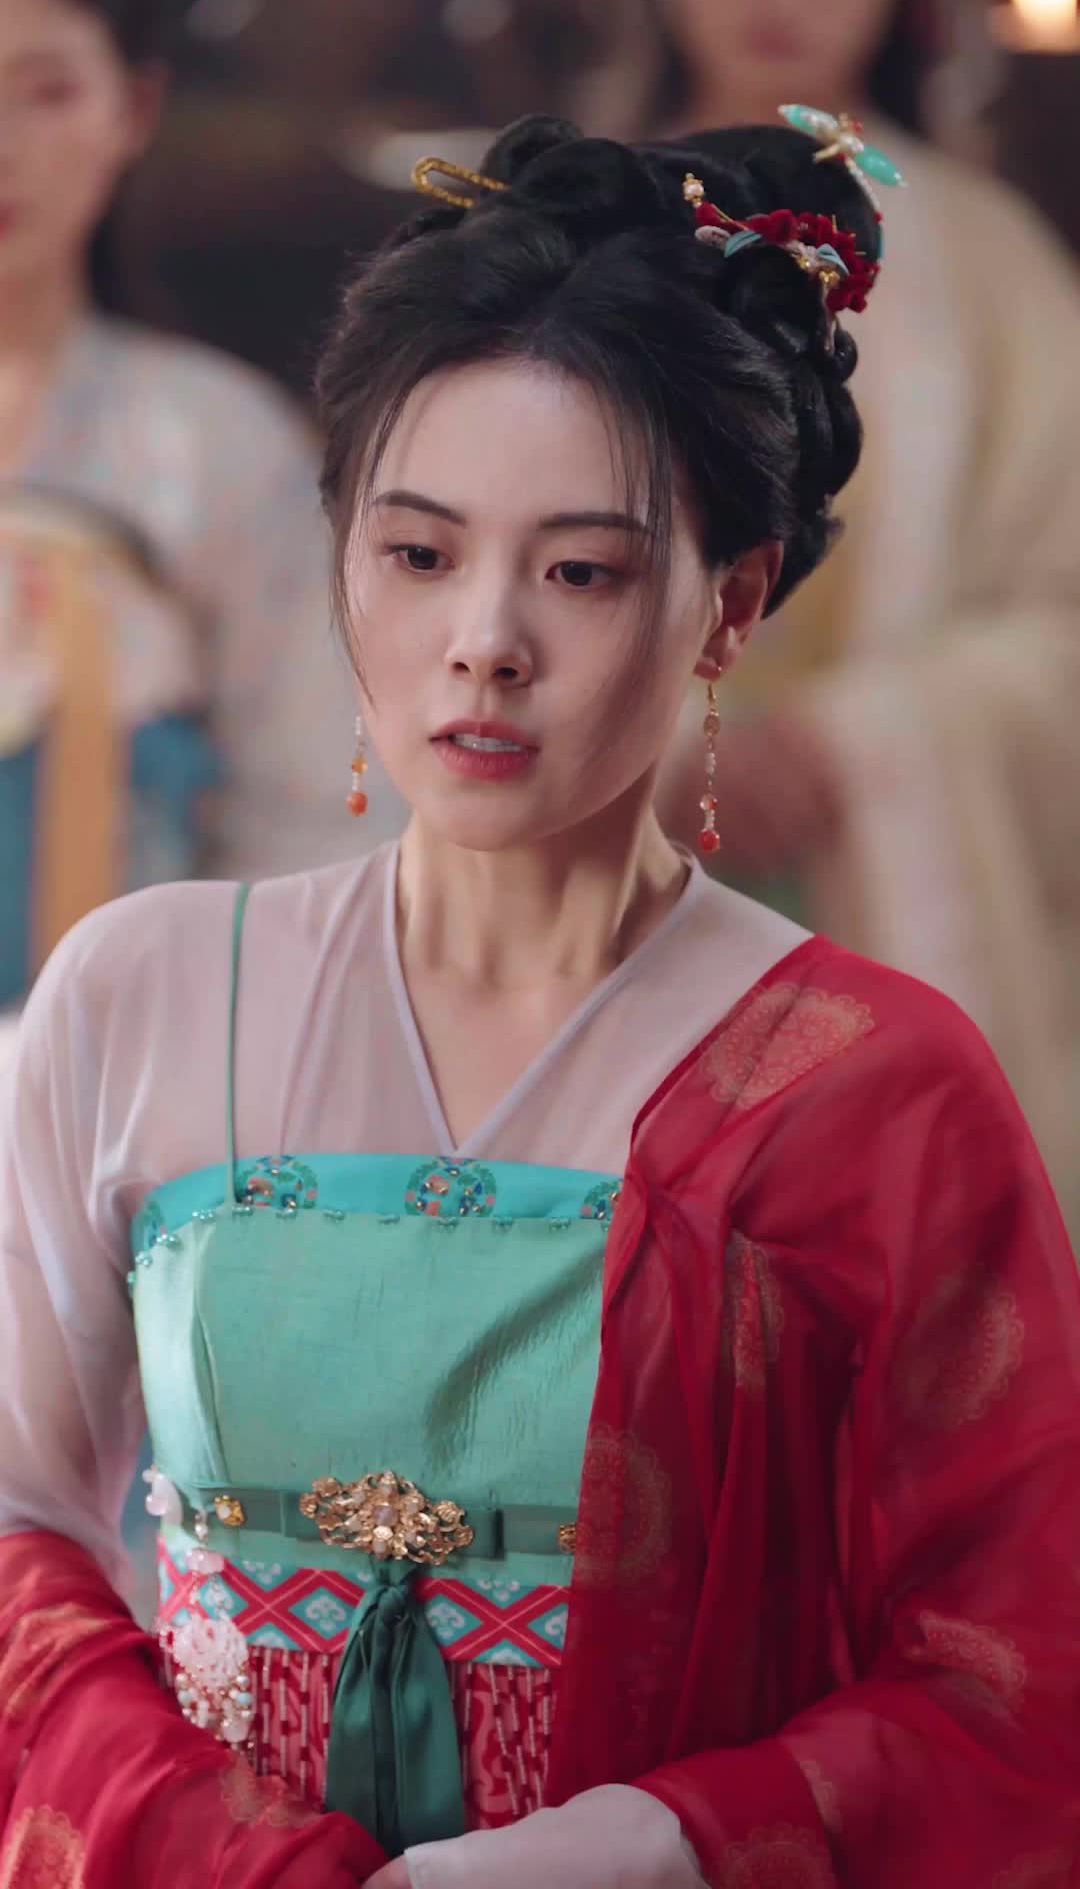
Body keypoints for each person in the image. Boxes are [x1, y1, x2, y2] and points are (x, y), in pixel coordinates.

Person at [1, 110, 1079, 1889]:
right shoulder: (139, 994)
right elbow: (22, 1530)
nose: (483, 640)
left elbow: (1013, 1676)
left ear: (730, 607)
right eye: (418, 554)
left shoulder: (873, 1088)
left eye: (580, 571)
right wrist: (235, 1856)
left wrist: (657, 1844)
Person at [635, 0, 1080, 1243]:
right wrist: (658, 745)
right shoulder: (550, 238)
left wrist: (854, 739)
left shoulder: (989, 262)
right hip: (618, 869)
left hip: (884, 877)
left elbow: (1061, 614)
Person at [0, 0, 405, 938]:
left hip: (122, 1020)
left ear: (133, 109)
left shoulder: (215, 446)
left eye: (46, 92)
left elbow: (321, 814)